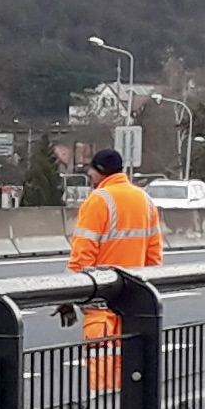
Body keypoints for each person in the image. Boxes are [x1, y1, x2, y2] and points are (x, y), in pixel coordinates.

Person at [69, 147, 166, 389]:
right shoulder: (144, 200)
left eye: (91, 170)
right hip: (136, 300)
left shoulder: (98, 201)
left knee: (103, 372)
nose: (89, 175)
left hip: (102, 302)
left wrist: (69, 294)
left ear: (100, 172)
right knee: (134, 371)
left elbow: (83, 254)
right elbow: (154, 256)